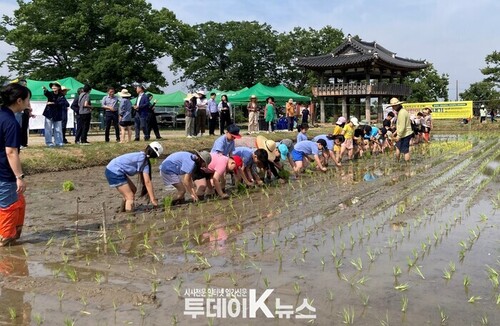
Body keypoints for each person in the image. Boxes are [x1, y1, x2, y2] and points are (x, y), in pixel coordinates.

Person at [0, 83, 30, 246]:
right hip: (5, 172)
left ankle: (13, 234)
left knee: (18, 201)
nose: (28, 103)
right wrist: (19, 177)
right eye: (27, 100)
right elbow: (11, 152)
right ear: (19, 101)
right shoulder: (11, 122)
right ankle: (6, 241)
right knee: (8, 207)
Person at [104, 141, 163, 212]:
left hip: (113, 169)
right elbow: (147, 182)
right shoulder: (144, 161)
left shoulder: (141, 156)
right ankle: (129, 217)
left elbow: (147, 182)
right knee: (130, 196)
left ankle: (122, 210)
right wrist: (153, 200)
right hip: (114, 172)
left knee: (133, 190)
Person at [389, 97, 413, 162]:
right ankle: (398, 161)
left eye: (393, 106)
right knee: (398, 147)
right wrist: (395, 133)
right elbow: (400, 125)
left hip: (405, 134)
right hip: (403, 133)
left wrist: (398, 136)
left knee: (405, 151)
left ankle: (407, 165)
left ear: (397, 105)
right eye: (392, 106)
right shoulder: (401, 112)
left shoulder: (402, 113)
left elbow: (402, 126)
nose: (392, 108)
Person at [42, 82, 65, 147]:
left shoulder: (61, 95)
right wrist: (45, 90)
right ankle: (49, 142)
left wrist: (53, 103)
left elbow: (62, 103)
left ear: (58, 88)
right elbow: (47, 93)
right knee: (48, 129)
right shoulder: (50, 94)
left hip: (58, 114)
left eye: (55, 86)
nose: (53, 87)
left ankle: (59, 142)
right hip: (49, 113)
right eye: (52, 86)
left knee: (58, 129)